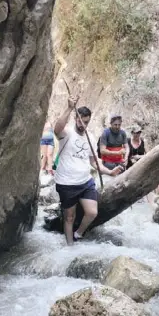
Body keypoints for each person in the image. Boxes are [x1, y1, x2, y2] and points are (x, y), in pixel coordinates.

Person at [54, 97, 122, 245]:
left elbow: (94, 161)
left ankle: (78, 233)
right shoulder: (67, 133)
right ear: (75, 118)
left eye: (86, 122)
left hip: (85, 181)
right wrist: (69, 108)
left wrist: (108, 172)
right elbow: (57, 129)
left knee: (92, 212)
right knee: (69, 218)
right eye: (81, 121)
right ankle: (69, 246)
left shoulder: (90, 137)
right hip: (67, 183)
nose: (83, 125)